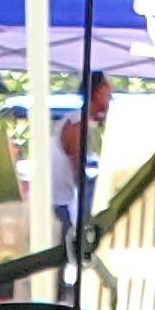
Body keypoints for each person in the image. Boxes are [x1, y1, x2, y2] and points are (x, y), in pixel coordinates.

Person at [52, 66, 113, 257]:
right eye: (107, 95)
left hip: (61, 203)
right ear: (97, 93)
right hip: (59, 205)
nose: (109, 101)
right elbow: (79, 171)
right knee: (61, 257)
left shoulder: (78, 122)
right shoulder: (77, 124)